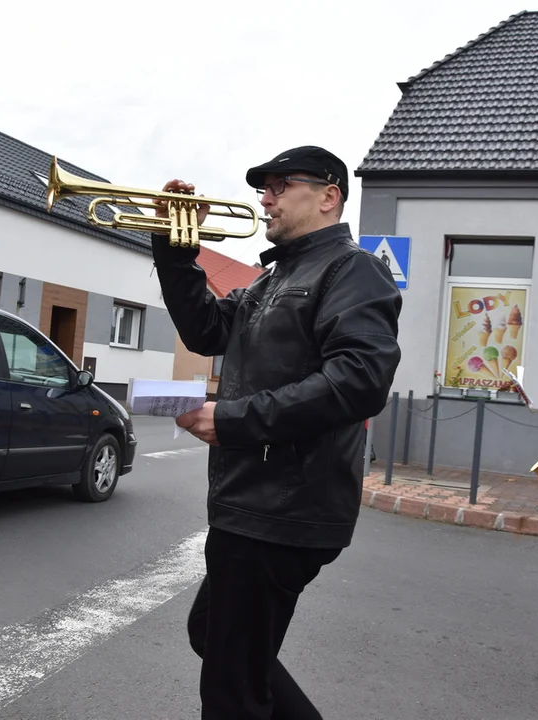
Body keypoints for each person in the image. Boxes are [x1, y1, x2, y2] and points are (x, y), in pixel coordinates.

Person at [150, 145, 402, 719]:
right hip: (252, 500)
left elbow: (360, 380)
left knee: (231, 691)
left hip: (284, 507)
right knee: (213, 634)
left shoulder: (351, 269)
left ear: (328, 196)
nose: (265, 198)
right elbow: (205, 329)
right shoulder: (273, 278)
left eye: (280, 185)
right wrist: (175, 249)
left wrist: (235, 419)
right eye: (264, 187)